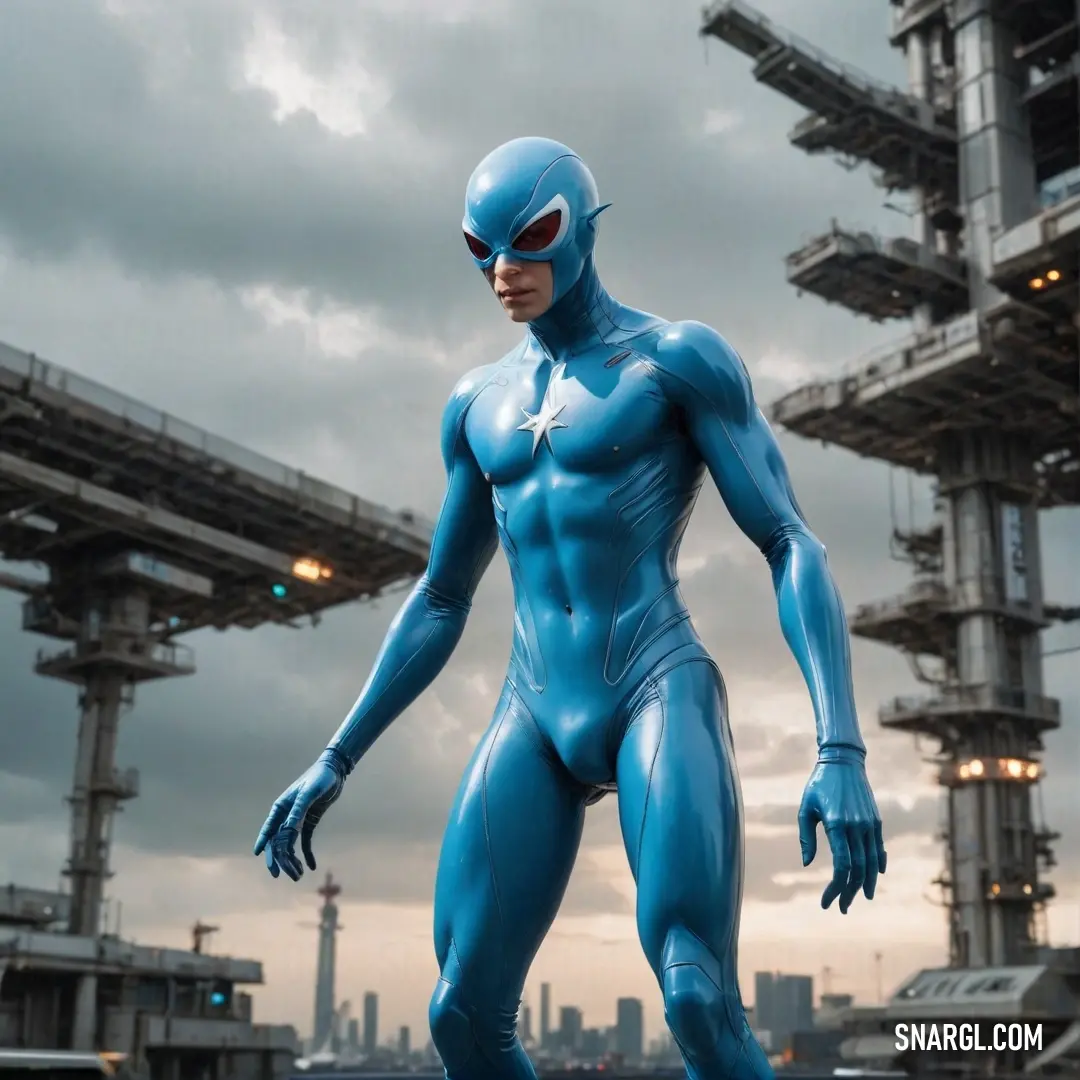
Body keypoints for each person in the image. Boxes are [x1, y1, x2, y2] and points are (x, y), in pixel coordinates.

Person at [255, 137, 886, 1080]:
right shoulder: (477, 405)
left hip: (654, 685)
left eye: (533, 239)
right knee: (462, 1016)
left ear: (584, 228)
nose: (506, 272)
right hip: (532, 706)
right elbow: (439, 595)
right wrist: (334, 755)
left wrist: (839, 747)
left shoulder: (676, 361)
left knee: (697, 997)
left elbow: (789, 539)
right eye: (482, 250)